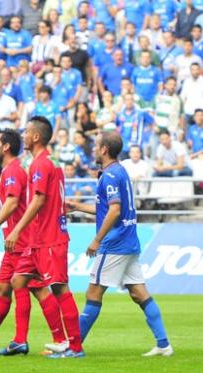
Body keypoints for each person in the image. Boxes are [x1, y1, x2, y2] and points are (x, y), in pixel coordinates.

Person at [0, 129, 69, 356]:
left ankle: (47, 340)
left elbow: (11, 203)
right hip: (16, 239)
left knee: (35, 288)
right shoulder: (14, 169)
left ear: (6, 146)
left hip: (22, 240)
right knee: (4, 288)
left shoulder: (13, 171)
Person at [68, 131, 173, 357]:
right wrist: (77, 206)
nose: (95, 149)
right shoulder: (120, 171)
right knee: (139, 293)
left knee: (93, 293)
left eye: (97, 146)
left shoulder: (109, 176)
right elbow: (107, 208)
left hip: (113, 243)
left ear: (104, 149)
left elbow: (114, 210)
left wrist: (97, 240)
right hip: (129, 241)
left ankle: (74, 347)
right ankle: (164, 344)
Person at [5, 116, 84, 358]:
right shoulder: (52, 161)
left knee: (60, 288)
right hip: (38, 239)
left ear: (36, 137)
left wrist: (17, 229)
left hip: (49, 237)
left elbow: (38, 199)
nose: (23, 135)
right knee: (18, 280)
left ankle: (75, 347)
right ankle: (43, 339)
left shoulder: (40, 164)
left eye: (27, 131)